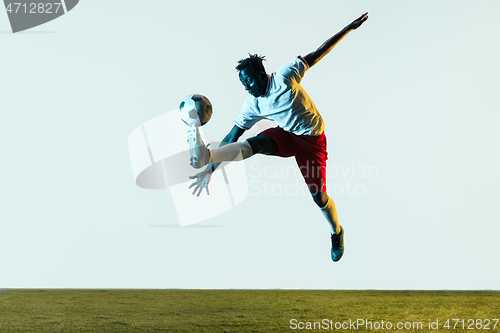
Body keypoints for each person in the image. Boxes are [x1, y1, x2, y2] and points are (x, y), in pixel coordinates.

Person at [187, 13, 368, 262]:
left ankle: (336, 231)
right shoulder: (252, 105)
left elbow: (318, 53)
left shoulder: (285, 76)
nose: (248, 87)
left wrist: (348, 29)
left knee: (319, 197)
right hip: (287, 135)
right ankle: (207, 153)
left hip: (312, 140)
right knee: (257, 143)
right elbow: (232, 135)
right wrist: (210, 167)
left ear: (263, 73)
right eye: (244, 85)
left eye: (250, 81)